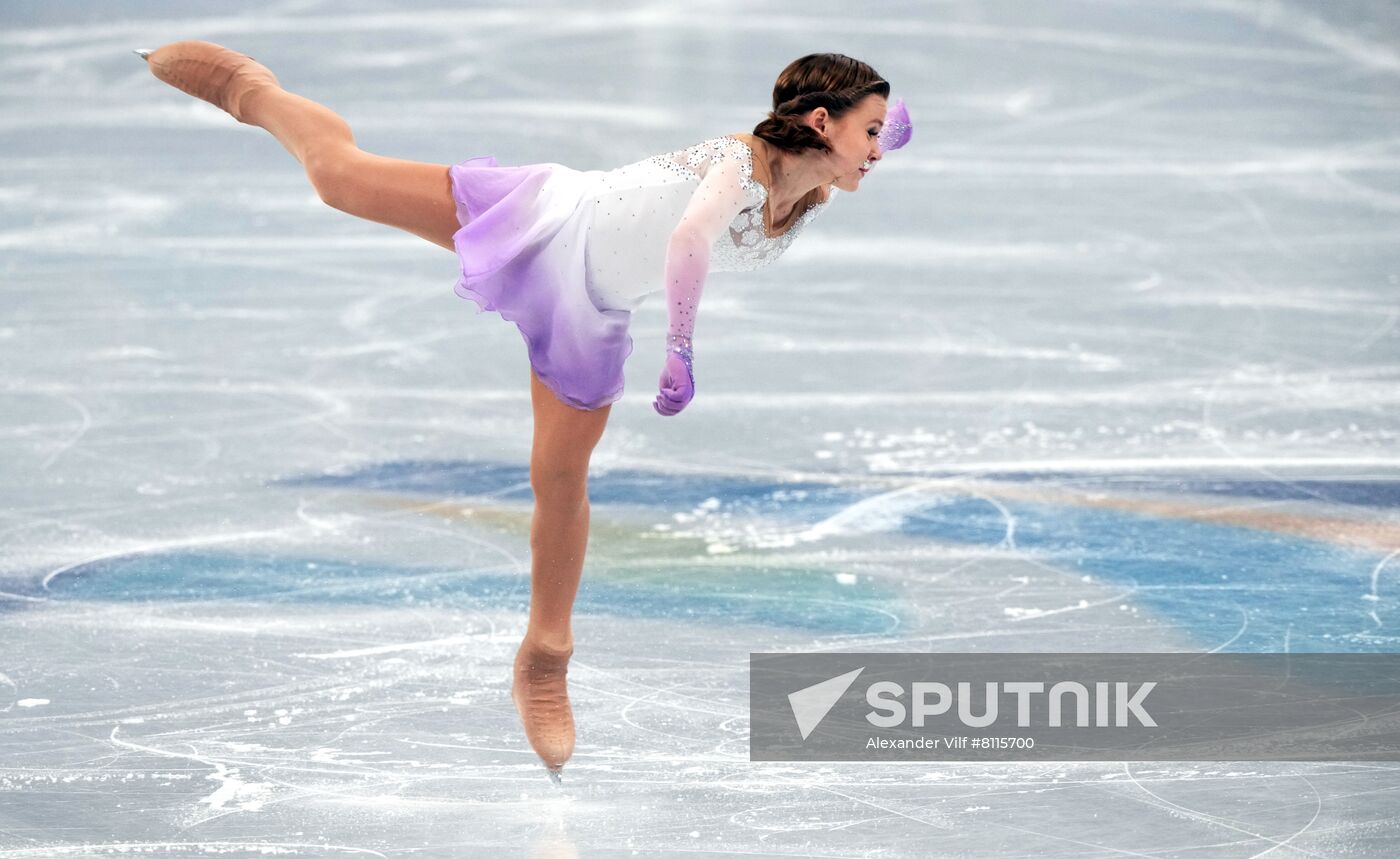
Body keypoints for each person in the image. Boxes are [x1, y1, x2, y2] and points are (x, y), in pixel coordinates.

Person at [134, 41, 912, 781]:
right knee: (339, 178)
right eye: (869, 132)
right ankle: (248, 87)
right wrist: (679, 349)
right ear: (821, 123)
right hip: (549, 218)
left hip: (594, 305)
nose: (879, 150)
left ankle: (545, 656)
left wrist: (883, 124)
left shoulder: (817, 182)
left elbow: (882, 130)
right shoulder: (741, 163)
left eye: (883, 134)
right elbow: (686, 240)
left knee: (559, 477)